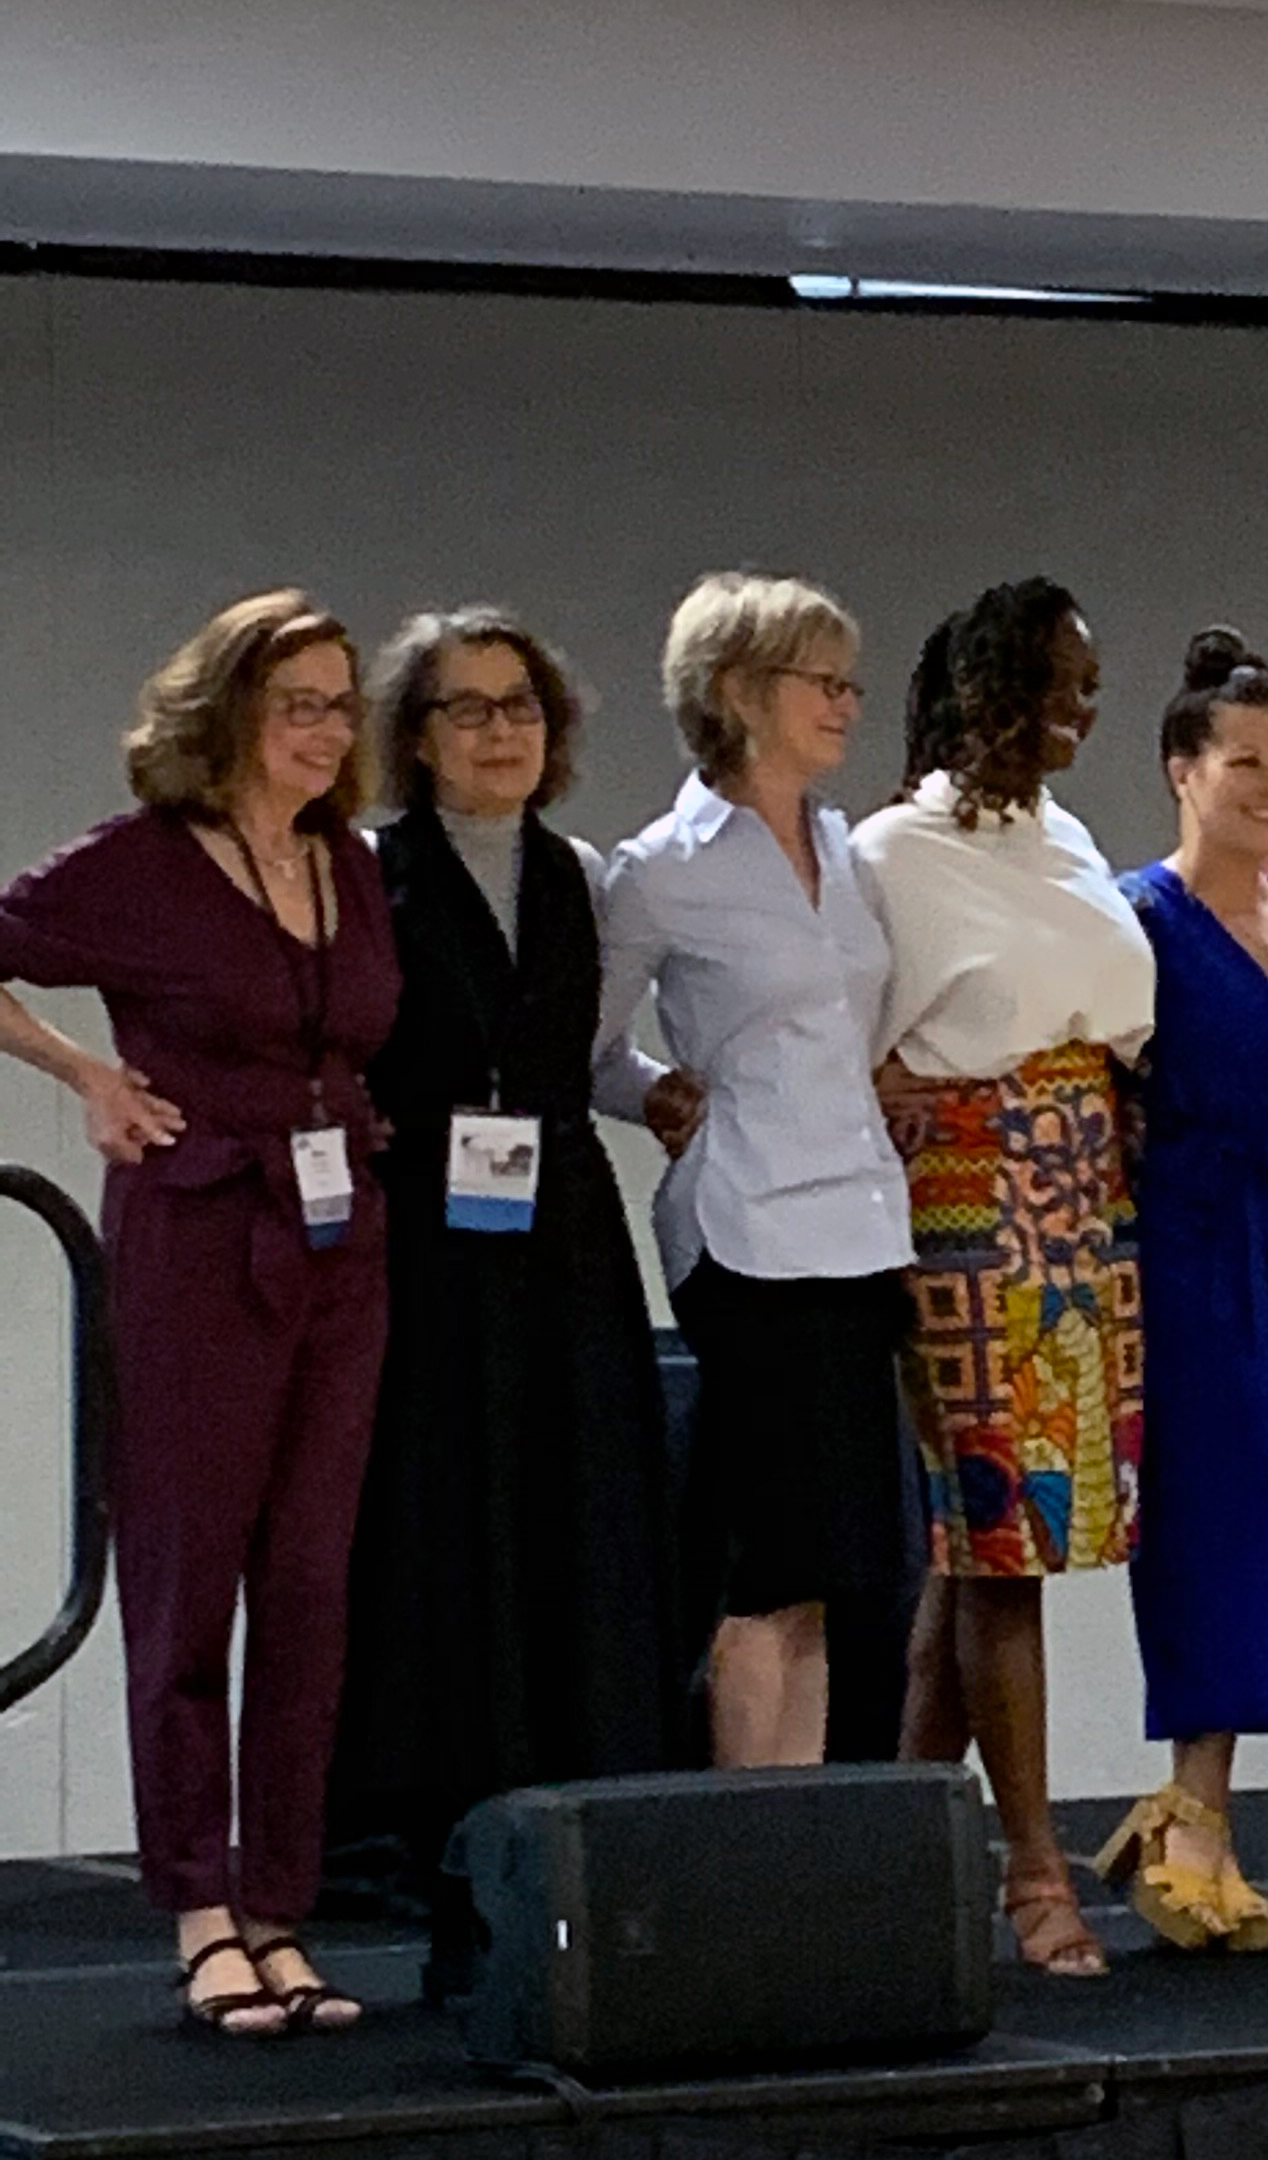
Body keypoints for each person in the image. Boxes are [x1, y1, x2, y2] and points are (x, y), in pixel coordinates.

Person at [0, 591, 398, 2035]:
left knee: (310, 1579)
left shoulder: (345, 862)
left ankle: (281, 1900)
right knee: (189, 1575)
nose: (325, 730)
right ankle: (198, 1903)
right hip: (197, 1233)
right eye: (299, 702)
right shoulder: (141, 866)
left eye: (343, 705)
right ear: (225, 712)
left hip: (340, 1237)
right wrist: (86, 1076)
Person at [328, 608, 690, 1983]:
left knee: (570, 1498)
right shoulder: (371, 873)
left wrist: (653, 1088)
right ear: (417, 739)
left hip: (562, 1233)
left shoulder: (580, 875)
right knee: (436, 1505)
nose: (500, 732)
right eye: (469, 709)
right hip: (426, 1228)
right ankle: (422, 1825)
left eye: (520, 708)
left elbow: (582, 1050)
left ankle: (577, 1800)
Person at [853, 578, 1151, 1979]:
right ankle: (1035, 1870)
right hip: (967, 1201)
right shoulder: (891, 851)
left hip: (1088, 1197)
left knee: (977, 1558)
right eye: (1065, 680)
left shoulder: (1065, 836)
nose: (1086, 705)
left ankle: (904, 1857)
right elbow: (835, 1026)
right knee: (999, 1545)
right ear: (995, 689)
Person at [597, 572, 915, 1777]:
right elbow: (583, 1042)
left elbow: (850, 1025)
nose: (845, 704)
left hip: (861, 1226)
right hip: (749, 1235)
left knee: (847, 1571)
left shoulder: (843, 846)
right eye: (821, 682)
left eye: (850, 683)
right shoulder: (664, 866)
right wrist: (654, 1092)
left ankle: (812, 1827)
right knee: (769, 1556)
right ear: (738, 692)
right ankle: (753, 1823)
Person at [1102, 628, 1268, 1954]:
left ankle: (1203, 1808)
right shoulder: (1140, 918)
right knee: (1210, 1532)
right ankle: (1187, 1812)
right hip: (1193, 1259)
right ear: (1181, 773)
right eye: (1243, 761)